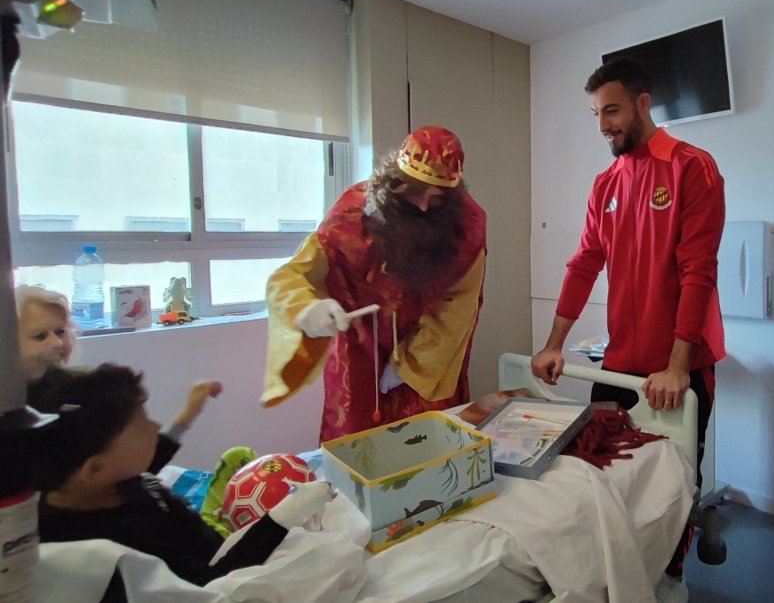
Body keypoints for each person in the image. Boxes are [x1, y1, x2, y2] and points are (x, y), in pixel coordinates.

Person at [530, 56, 725, 602]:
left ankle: (669, 582)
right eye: (596, 113)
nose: (603, 126)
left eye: (611, 110)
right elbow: (584, 262)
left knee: (675, 483)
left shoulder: (692, 167)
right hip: (619, 365)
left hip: (676, 370)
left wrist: (678, 363)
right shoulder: (606, 183)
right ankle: (616, 578)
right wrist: (553, 345)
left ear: (643, 103)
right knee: (605, 477)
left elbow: (697, 270)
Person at [264, 125, 487, 442]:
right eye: (414, 192)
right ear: (394, 181)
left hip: (427, 348)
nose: (424, 206)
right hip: (357, 343)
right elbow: (292, 276)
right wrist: (307, 308)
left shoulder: (466, 225)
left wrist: (407, 366)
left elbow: (457, 307)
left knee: (425, 440)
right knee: (354, 439)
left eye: (437, 198)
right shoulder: (351, 212)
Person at [29, 363, 334, 588]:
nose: (156, 427)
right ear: (94, 468)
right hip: (220, 568)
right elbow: (216, 580)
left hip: (210, 537)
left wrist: (188, 415)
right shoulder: (122, 549)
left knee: (237, 457)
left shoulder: (94, 484)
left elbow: (149, 460)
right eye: (142, 424)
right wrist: (287, 512)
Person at [15, 283, 221, 470]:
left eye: (60, 332)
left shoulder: (80, 391)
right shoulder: (22, 413)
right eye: (40, 336)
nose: (58, 344)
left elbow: (135, 466)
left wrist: (189, 414)